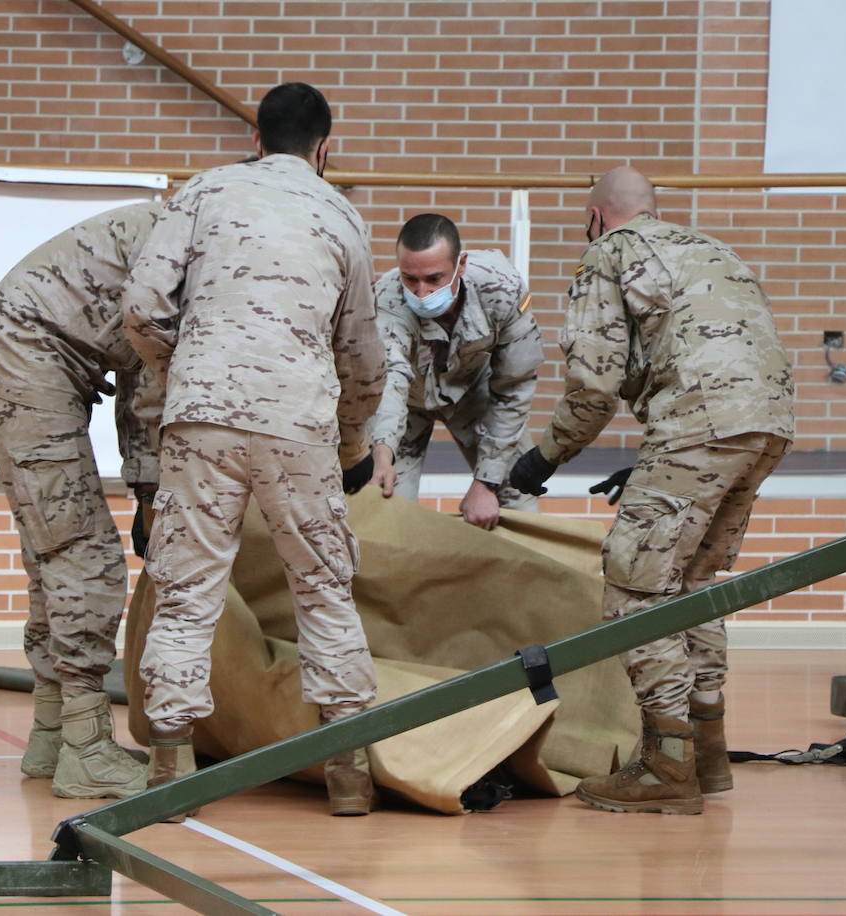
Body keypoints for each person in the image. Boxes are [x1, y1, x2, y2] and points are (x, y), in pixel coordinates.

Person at [121, 82, 386, 816]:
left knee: (186, 591)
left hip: (201, 416)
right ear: (324, 149)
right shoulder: (341, 214)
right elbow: (364, 355)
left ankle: (171, 768)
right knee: (323, 589)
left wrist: (185, 375)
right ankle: (348, 770)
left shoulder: (203, 192)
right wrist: (353, 443)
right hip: (299, 424)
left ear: (259, 138)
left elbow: (142, 305)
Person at [508, 166, 794, 815]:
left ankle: (667, 761)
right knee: (693, 580)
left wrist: (542, 458)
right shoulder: (712, 250)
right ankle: (709, 750)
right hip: (768, 424)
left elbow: (596, 383)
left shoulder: (611, 252)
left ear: (598, 216)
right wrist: (655, 457)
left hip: (701, 422)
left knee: (635, 582)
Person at [0, 201, 163, 799]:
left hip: (12, 358)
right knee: (84, 557)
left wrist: (146, 486)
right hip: (26, 365)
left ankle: (53, 732)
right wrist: (150, 497)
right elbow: (151, 391)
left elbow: (138, 376)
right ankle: (89, 750)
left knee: (53, 559)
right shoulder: (194, 255)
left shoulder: (178, 229)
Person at [366, 214, 543, 528]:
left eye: (434, 279)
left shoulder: (499, 286)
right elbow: (389, 379)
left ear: (460, 265)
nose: (421, 292)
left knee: (515, 499)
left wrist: (486, 483)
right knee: (384, 504)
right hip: (409, 402)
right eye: (410, 278)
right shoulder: (388, 297)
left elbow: (515, 386)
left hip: (476, 391)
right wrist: (382, 453)